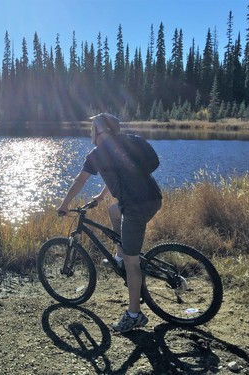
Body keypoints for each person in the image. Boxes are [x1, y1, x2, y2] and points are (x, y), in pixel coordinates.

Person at [56, 113, 162, 333]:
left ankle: (134, 315)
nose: (90, 132)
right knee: (114, 210)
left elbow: (80, 180)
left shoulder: (97, 154)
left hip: (135, 206)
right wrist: (102, 195)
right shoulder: (130, 141)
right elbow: (123, 171)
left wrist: (64, 204)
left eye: (92, 127)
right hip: (153, 198)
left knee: (133, 264)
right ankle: (119, 256)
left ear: (97, 129)